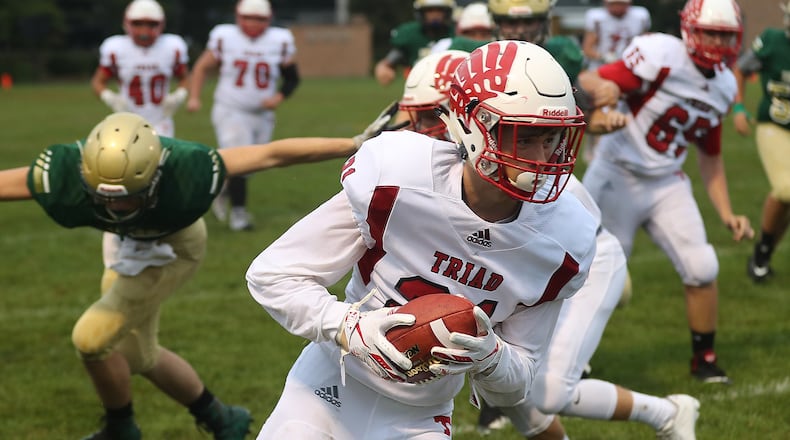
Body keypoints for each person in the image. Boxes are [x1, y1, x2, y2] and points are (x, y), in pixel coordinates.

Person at [246, 40, 599, 439]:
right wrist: (349, 326)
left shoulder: (564, 239)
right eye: (521, 137)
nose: (541, 157)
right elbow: (272, 275)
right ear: (471, 126)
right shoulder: (398, 179)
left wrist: (492, 357)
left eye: (551, 137)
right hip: (327, 388)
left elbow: (518, 384)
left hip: (420, 417)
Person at [0, 110, 393, 440]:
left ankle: (121, 427)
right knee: (138, 352)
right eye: (105, 199)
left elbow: (269, 154)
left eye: (128, 197)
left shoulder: (188, 167)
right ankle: (220, 417)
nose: (116, 208)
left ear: (155, 178)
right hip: (123, 246)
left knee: (90, 339)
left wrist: (354, 143)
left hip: (173, 249)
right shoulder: (64, 173)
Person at [400, 48, 700, 440]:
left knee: (545, 387)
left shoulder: (521, 174)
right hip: (513, 262)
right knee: (513, 393)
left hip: (565, 263)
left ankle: (667, 413)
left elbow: (564, 246)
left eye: (432, 115)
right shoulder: (447, 166)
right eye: (420, 116)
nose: (423, 129)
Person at [578, 0, 752, 385]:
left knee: (703, 266)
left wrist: (726, 212)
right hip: (617, 174)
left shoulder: (724, 85)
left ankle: (704, 358)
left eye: (725, 34)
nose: (718, 42)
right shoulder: (663, 54)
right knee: (590, 275)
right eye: (711, 32)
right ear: (691, 29)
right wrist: (603, 87)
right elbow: (589, 80)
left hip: (667, 180)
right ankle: (572, 359)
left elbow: (711, 155)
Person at [187, 0, 299, 232]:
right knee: (241, 158)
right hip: (231, 108)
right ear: (238, 17)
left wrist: (278, 97)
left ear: (269, 20)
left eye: (259, 19)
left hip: (262, 114)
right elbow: (201, 67)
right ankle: (239, 214)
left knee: (253, 164)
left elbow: (292, 77)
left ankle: (223, 187)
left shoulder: (280, 40)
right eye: (248, 18)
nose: (253, 23)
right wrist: (194, 97)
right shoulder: (225, 37)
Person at [732, 0, 790, 283]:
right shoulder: (772, 39)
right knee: (786, 188)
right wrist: (740, 107)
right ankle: (763, 252)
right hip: (774, 125)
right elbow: (741, 69)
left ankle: (762, 255)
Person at [91, 0, 189, 138]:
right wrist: (111, 98)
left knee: (160, 159)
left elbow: (185, 78)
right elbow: (98, 82)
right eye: (138, 23)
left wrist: (179, 96)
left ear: (161, 24)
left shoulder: (172, 46)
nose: (144, 30)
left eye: (151, 24)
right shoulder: (116, 48)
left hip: (160, 121)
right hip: (126, 120)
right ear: (127, 23)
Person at [374, 0, 456, 86]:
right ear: (421, 13)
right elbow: (389, 62)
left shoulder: (457, 32)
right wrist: (383, 67)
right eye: (430, 11)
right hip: (417, 88)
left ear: (447, 13)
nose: (435, 15)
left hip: (450, 88)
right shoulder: (410, 34)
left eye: (439, 11)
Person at [581, 0, 651, 72]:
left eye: (621, 4)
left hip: (631, 68)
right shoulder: (596, 18)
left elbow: (645, 44)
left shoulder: (640, 16)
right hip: (601, 67)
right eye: (614, 4)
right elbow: (587, 48)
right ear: (606, 3)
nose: (618, 7)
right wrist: (603, 57)